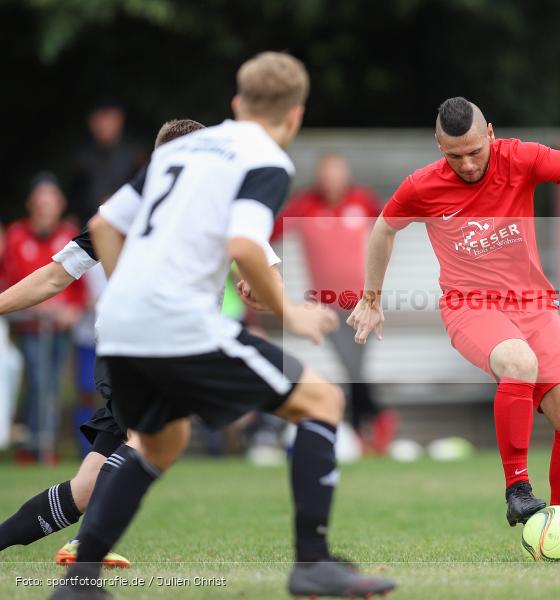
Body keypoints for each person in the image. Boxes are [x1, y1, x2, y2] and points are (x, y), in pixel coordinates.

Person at [50, 52, 394, 600]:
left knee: (161, 444)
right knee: (324, 402)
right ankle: (313, 563)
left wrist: (133, 290)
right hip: (178, 321)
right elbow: (243, 245)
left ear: (237, 103)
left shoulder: (178, 150)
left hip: (120, 324)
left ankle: (80, 582)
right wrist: (290, 312)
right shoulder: (266, 160)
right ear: (296, 115)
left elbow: (101, 225)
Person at [348, 97, 560, 526]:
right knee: (518, 361)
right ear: (438, 145)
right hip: (470, 307)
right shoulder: (422, 185)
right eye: (454, 155)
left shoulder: (519, 157)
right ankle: (518, 488)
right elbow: (383, 229)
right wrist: (371, 298)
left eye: (474, 151)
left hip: (533, 304)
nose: (467, 164)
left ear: (490, 134)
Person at [0, 119, 206, 569]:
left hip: (149, 341)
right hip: (141, 342)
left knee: (85, 487)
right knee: (151, 438)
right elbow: (57, 274)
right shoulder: (129, 210)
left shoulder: (187, 206)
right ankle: (87, 544)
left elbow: (57, 275)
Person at [273, 153, 397, 453]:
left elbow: (390, 225)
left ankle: (362, 429)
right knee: (351, 369)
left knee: (354, 370)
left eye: (337, 174)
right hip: (325, 306)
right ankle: (376, 419)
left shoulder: (362, 200)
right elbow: (272, 233)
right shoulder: (305, 206)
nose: (332, 181)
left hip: (361, 303)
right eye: (326, 175)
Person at [0, 175, 86, 463]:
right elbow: (11, 279)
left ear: (60, 204)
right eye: (40, 202)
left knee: (52, 384)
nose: (45, 207)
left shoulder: (70, 233)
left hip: (59, 328)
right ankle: (34, 444)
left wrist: (72, 310)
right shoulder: (16, 235)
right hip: (29, 325)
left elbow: (80, 285)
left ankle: (42, 444)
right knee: (37, 381)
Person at [69, 102, 143, 225]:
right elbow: (74, 197)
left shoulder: (136, 155)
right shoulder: (82, 157)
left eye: (109, 119)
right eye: (100, 120)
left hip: (127, 223)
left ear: (119, 120)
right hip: (88, 224)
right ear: (91, 123)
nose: (104, 125)